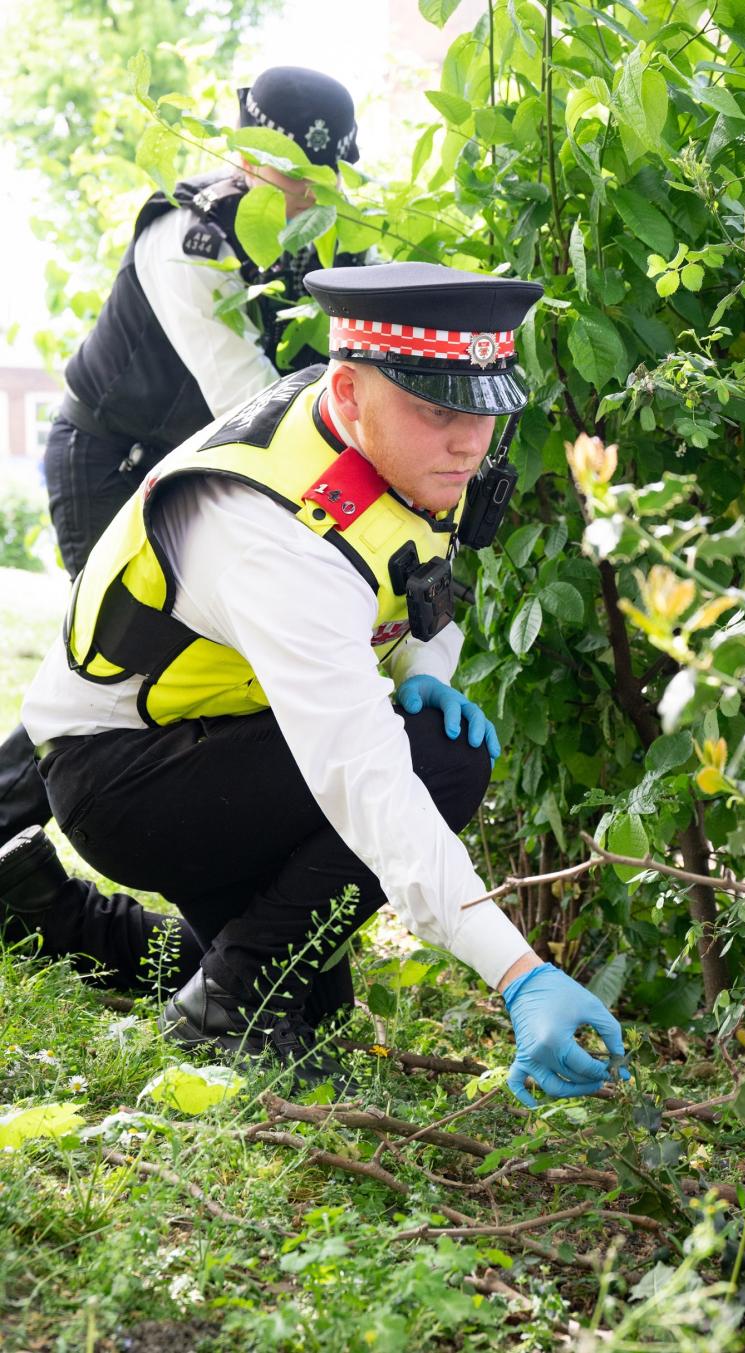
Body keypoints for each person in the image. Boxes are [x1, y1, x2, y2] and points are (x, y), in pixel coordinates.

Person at [2, 262, 627, 1106]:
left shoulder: (374, 431)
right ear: (349, 386)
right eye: (439, 408)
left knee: (304, 1002)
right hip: (123, 775)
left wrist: (423, 666)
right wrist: (519, 972)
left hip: (220, 739)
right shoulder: (272, 534)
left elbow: (419, 583)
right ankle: (224, 1006)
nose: (470, 443)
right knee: (439, 764)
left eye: (485, 409)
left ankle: (41, 912)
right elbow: (368, 783)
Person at [0, 66, 366, 850]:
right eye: (294, 171)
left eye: (326, 172)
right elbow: (248, 394)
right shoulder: (188, 237)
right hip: (108, 458)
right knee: (119, 658)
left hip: (194, 471)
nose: (311, 190)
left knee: (191, 664)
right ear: (245, 153)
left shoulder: (329, 238)